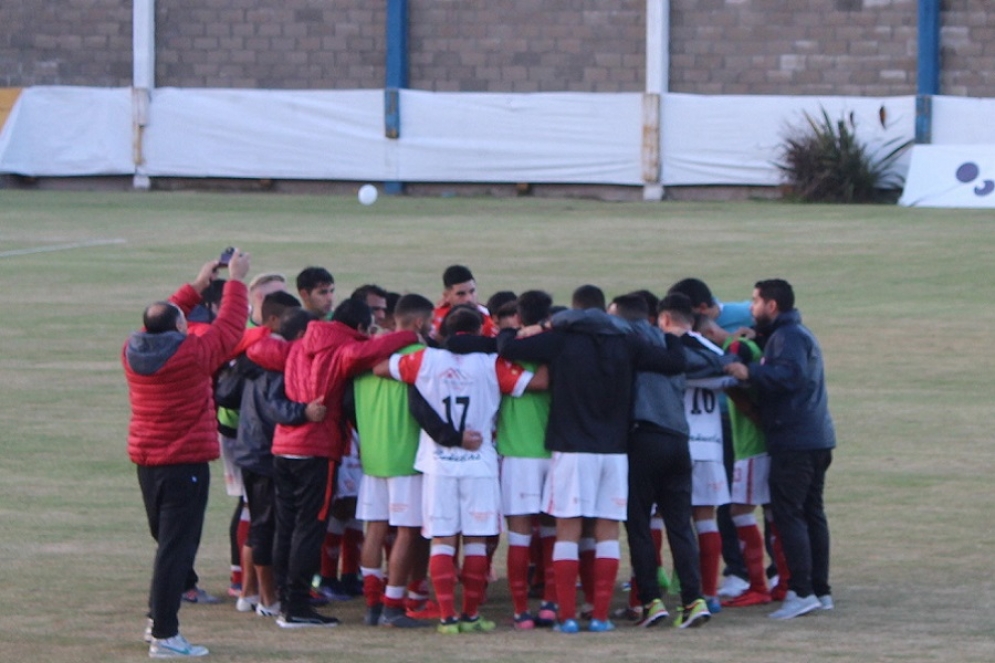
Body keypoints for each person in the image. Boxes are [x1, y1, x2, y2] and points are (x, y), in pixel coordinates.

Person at [496, 285, 687, 634]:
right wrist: (673, 336)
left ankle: (567, 617)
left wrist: (528, 328)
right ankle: (599, 616)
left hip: (572, 449)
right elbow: (674, 363)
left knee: (567, 532)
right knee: (607, 533)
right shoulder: (627, 341)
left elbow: (508, 346)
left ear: (576, 309)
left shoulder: (563, 339)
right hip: (614, 451)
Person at [375, 304, 541, 635]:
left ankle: (448, 617)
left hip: (438, 464)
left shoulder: (425, 360)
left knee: (442, 540)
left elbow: (381, 367)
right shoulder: (493, 363)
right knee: (477, 542)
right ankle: (471, 614)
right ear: (480, 331)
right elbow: (533, 384)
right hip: (479, 463)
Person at [123, 249, 250, 658]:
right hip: (184, 464)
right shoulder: (191, 355)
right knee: (177, 549)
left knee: (168, 545)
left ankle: (155, 621)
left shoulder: (132, 350)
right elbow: (230, 328)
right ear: (178, 328)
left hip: (148, 462)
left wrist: (198, 284)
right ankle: (165, 635)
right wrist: (236, 280)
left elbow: (165, 312)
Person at [271, 297, 418, 628]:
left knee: (288, 526)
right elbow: (372, 350)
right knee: (311, 527)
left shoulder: (299, 346)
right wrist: (410, 335)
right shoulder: (342, 351)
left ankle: (284, 599)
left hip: (283, 446)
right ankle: (296, 607)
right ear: (360, 328)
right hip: (316, 449)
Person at [610, 293, 724, 629]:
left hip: (643, 437)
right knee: (679, 525)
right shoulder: (672, 344)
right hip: (678, 440)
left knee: (639, 524)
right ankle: (693, 599)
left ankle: (651, 601)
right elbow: (712, 360)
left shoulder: (625, 341)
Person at [725, 278, 836, 620]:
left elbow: (789, 377)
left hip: (794, 441)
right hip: (817, 437)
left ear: (772, 305)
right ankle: (819, 589)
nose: (751, 307)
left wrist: (749, 372)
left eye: (756, 301)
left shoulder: (787, 338)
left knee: (790, 516)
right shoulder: (795, 333)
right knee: (812, 514)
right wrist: (757, 340)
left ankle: (800, 591)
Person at [231, 306, 327, 619]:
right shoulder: (279, 363)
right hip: (264, 451)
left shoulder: (259, 356)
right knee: (266, 526)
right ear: (301, 335)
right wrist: (304, 413)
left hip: (251, 447)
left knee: (260, 522)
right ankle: (267, 597)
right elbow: (277, 407)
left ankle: (251, 592)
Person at [351, 293, 436, 628]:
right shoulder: (422, 356)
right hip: (407, 456)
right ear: (419, 323)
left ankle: (372, 603)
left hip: (372, 455)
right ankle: (393, 605)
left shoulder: (364, 358)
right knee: (408, 531)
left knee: (374, 529)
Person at [669, 277, 754, 600]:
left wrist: (745, 339)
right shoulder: (701, 342)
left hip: (726, 424)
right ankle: (698, 583)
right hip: (706, 429)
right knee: (697, 510)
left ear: (701, 311)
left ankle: (738, 572)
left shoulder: (744, 315)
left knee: (723, 505)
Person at [430, 264, 497, 339]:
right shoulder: (433, 318)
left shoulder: (490, 318)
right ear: (446, 296)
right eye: (461, 294)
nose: (469, 299)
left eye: (472, 291)